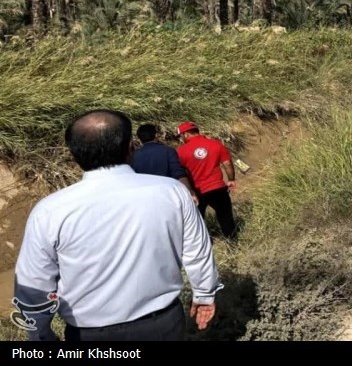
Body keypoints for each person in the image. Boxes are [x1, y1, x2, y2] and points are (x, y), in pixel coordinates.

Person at [13, 110, 222, 341]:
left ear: (74, 155)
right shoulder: (172, 192)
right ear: (131, 147)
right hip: (163, 325)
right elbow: (197, 251)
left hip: (89, 335)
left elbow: (34, 282)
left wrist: (40, 335)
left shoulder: (50, 211)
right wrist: (204, 294)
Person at [176, 121, 238, 239]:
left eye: (181, 136)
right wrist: (231, 179)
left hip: (198, 191)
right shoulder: (215, 144)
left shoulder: (180, 151)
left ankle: (204, 243)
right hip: (218, 188)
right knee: (225, 217)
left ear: (186, 134)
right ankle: (233, 243)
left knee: (198, 221)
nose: (181, 139)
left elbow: (180, 173)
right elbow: (227, 164)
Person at [132, 123, 197, 204]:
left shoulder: (134, 156)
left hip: (144, 197)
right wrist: (190, 191)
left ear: (140, 138)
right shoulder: (168, 151)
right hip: (167, 196)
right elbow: (179, 174)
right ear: (156, 135)